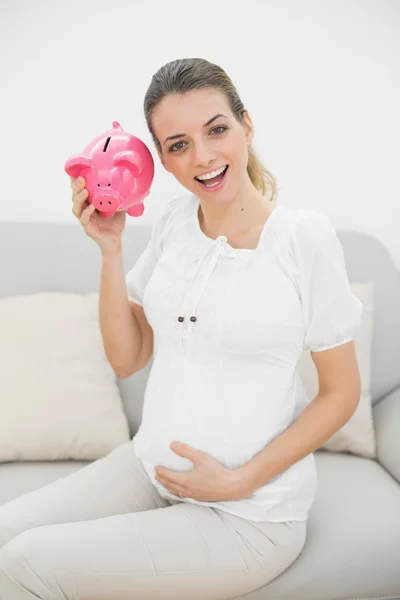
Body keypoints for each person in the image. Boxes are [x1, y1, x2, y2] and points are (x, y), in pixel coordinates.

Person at [0, 57, 363, 599]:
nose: (203, 156)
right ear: (163, 162)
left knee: (29, 562)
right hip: (150, 469)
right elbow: (128, 358)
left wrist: (239, 480)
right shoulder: (174, 224)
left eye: (216, 129)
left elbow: (341, 393)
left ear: (246, 125)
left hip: (246, 513)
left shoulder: (302, 239)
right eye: (178, 144)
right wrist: (111, 250)